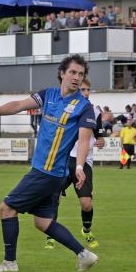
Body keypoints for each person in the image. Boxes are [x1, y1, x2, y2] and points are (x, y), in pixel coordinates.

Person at [0, 54, 99, 272]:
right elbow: (19, 105)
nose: (77, 78)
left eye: (80, 74)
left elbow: (84, 140)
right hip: (50, 174)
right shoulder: (47, 95)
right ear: (62, 73)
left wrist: (79, 167)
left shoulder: (83, 106)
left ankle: (9, 263)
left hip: (47, 172)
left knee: (6, 209)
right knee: (42, 222)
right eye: (73, 72)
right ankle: (84, 254)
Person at [45, 79, 104, 250]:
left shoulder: (95, 111)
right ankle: (51, 234)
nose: (85, 92)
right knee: (53, 196)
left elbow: (99, 136)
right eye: (82, 89)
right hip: (64, 159)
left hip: (84, 161)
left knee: (86, 203)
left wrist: (101, 141)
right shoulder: (66, 109)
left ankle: (86, 230)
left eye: (87, 89)